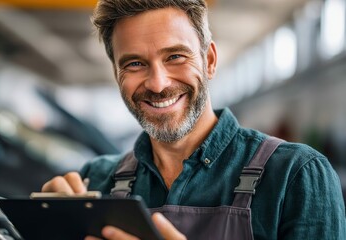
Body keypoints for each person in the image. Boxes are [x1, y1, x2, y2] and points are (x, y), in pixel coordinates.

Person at [42, 0, 346, 239]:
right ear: (117, 75)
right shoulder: (94, 183)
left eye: (175, 56)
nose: (158, 84)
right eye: (135, 63)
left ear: (209, 60)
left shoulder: (295, 177)